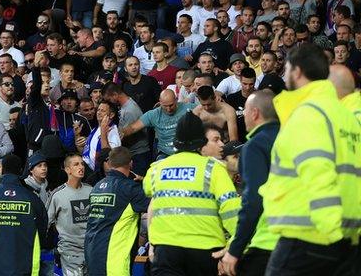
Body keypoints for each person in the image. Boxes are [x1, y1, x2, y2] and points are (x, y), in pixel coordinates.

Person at [259, 44, 361, 275]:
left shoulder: (309, 114)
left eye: (285, 69)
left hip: (310, 235)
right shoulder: (344, 115)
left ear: (296, 71)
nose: (284, 75)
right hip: (345, 237)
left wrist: (332, 232)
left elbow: (318, 171)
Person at [144, 112, 240, 276]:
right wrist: (233, 246)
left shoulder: (157, 169)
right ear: (201, 143)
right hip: (205, 251)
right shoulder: (214, 169)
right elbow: (232, 210)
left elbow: (148, 191)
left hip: (166, 250)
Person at [220, 90, 280, 276]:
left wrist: (235, 249)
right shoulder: (293, 138)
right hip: (302, 237)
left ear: (254, 113)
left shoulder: (255, 145)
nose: (243, 115)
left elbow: (253, 200)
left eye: (245, 111)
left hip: (267, 238)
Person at [0, 154, 48, 276]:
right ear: (21, 171)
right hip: (24, 264)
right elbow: (42, 229)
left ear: (2, 170)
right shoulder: (32, 198)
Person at [84, 146, 149, 276]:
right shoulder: (130, 189)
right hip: (114, 260)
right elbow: (158, 204)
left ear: (109, 163)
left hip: (91, 254)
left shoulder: (97, 187)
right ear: (131, 163)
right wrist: (144, 180)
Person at [47, 154, 93, 276]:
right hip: (69, 252)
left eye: (82, 164)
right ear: (67, 170)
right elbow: (46, 222)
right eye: (76, 164)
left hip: (91, 249)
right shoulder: (57, 194)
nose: (81, 167)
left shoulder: (91, 191)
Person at [121, 89, 195, 160]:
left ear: (176, 100)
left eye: (171, 105)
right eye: (165, 106)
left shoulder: (189, 108)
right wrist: (116, 135)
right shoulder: (153, 114)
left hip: (186, 152)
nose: (168, 109)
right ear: (160, 102)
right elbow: (133, 128)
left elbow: (205, 111)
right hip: (165, 154)